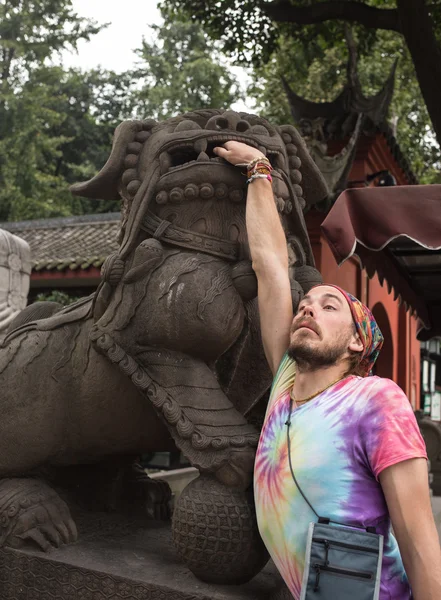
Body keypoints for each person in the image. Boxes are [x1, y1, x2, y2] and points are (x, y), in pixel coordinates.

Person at [213, 141, 441, 600]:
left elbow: (419, 540)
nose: (307, 310)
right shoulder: (285, 386)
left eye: (329, 305)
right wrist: (259, 171)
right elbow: (272, 267)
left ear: (357, 341)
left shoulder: (375, 400)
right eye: (304, 306)